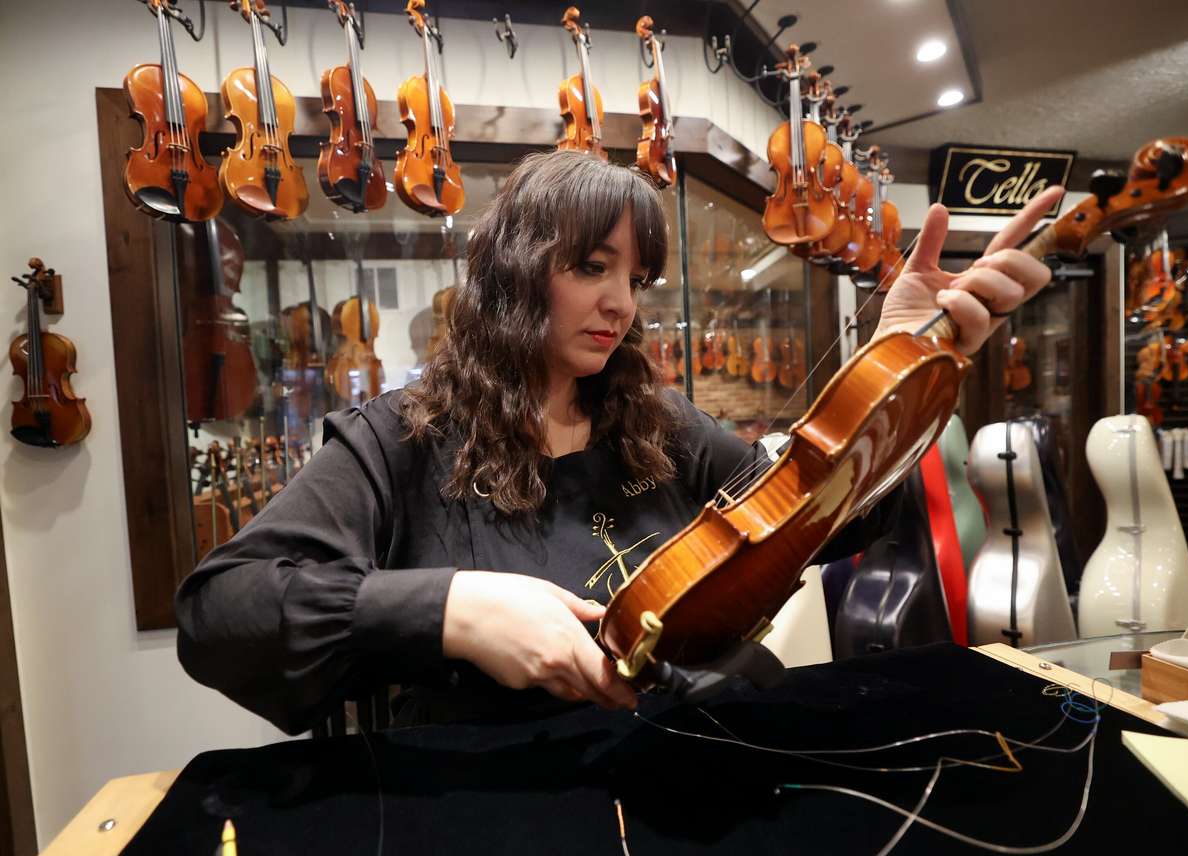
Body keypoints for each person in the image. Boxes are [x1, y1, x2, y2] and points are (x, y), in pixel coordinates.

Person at [176, 150, 1060, 735]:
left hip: (682, 770)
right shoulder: (397, 442)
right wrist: (453, 610)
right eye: (592, 267)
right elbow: (221, 612)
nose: (621, 304)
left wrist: (900, 362)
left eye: (635, 277)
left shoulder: (661, 424)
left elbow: (827, 517)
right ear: (514, 272)